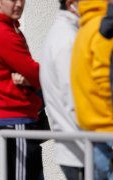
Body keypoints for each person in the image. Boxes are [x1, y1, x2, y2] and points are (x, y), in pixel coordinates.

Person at [0, 0, 43, 179]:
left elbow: (29, 72)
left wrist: (30, 78)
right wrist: (34, 77)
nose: (19, 4)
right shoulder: (0, 31)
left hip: (12, 115)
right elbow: (32, 71)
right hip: (14, 115)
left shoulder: (5, 28)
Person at [39, 0, 84, 179]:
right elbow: (73, 96)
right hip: (81, 148)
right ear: (72, 3)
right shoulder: (67, 37)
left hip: (78, 146)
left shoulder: (69, 33)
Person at [71, 1, 113, 179]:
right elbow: (104, 77)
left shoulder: (83, 30)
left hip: (91, 128)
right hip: (108, 127)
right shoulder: (103, 28)